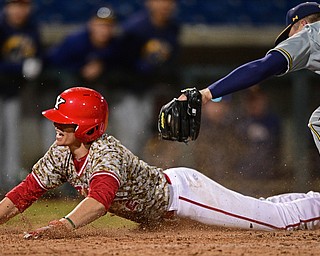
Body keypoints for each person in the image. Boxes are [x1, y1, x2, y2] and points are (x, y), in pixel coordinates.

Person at [1, 87, 320, 240]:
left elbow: (98, 202)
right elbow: (23, 194)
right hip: (169, 202)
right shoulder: (60, 153)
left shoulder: (105, 154)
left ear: (88, 126)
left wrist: (64, 226)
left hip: (184, 197)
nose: (58, 127)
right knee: (258, 209)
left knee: (274, 222)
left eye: (66, 123)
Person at [174, 1, 320, 163]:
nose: (291, 39)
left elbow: (262, 67)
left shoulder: (309, 32)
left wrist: (207, 93)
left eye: (291, 33)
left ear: (303, 23)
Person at [108, 0, 181, 155]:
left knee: (145, 141)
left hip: (150, 91)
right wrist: (145, 64)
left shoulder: (172, 28)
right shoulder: (134, 29)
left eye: (170, 2)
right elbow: (119, 64)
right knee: (129, 139)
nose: (165, 5)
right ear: (150, 3)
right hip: (125, 92)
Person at [0, 0, 42, 193]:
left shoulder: (32, 27)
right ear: (7, 6)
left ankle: (8, 182)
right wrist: (19, 67)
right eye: (15, 5)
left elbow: (39, 55)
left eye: (23, 5)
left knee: (12, 138)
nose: (19, 10)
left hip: (12, 92)